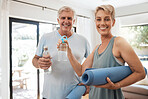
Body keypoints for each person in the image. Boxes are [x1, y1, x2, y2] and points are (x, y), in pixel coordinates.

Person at [60, 5, 146, 99]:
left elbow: (141, 73)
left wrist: (117, 85)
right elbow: (81, 71)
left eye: (107, 19)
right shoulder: (97, 48)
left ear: (113, 22)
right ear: (95, 22)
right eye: (99, 19)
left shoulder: (119, 42)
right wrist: (68, 51)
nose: (102, 23)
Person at [32, 6, 90, 99]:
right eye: (63, 18)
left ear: (74, 21)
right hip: (49, 94)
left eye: (69, 18)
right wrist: (39, 63)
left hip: (73, 94)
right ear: (58, 20)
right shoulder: (46, 37)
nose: (66, 21)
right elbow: (35, 60)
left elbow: (91, 63)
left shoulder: (83, 40)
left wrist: (88, 81)